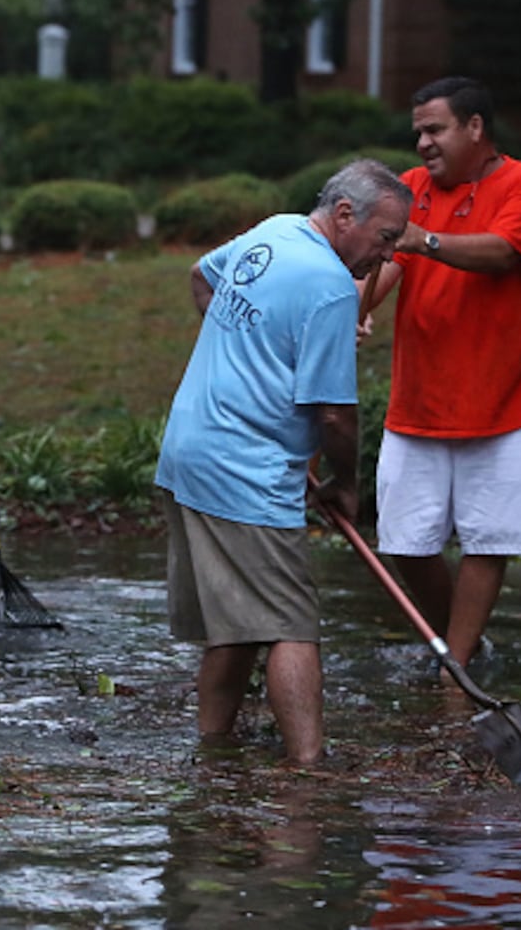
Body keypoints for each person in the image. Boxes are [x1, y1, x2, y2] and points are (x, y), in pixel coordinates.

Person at [155, 159, 412, 766]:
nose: (386, 256)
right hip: (245, 471)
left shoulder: (276, 231)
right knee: (292, 627)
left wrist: (250, 354)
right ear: (345, 214)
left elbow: (200, 277)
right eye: (384, 237)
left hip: (190, 451)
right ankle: (309, 772)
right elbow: (334, 416)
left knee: (236, 624)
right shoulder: (328, 286)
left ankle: (212, 754)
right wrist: (346, 486)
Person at [368, 76, 521, 671]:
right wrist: (349, 309)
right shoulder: (409, 189)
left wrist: (423, 239)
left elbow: (504, 253)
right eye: (418, 132)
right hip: (419, 402)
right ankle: (463, 652)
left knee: (487, 541)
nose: (423, 143)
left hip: (508, 403)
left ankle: (456, 667)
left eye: (435, 129)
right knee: (403, 541)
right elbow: (384, 266)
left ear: (475, 127)